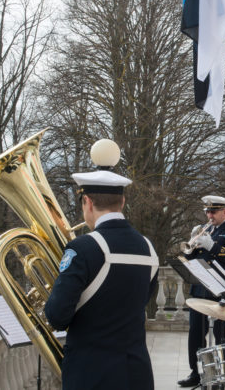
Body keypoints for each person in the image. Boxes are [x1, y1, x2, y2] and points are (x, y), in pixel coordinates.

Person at [45, 141, 159, 390]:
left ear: (87, 201)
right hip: (137, 375)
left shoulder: (82, 248)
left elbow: (56, 316)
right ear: (123, 200)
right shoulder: (148, 248)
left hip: (91, 376)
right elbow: (141, 300)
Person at [177, 195, 225, 388]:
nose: (209, 215)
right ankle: (196, 373)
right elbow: (191, 258)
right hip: (200, 287)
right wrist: (191, 245)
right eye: (207, 211)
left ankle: (221, 376)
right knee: (196, 333)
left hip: (222, 289)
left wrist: (212, 245)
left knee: (221, 336)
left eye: (213, 211)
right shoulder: (204, 230)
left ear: (224, 211)